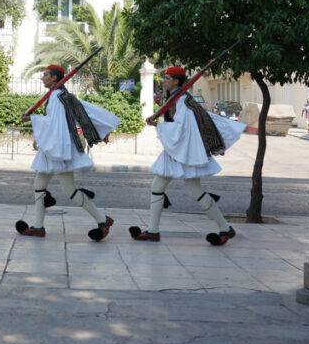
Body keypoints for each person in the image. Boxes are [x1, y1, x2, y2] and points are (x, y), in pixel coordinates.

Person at [129, 66, 245, 245]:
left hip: (184, 151)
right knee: (159, 186)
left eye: (167, 78)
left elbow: (182, 128)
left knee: (193, 191)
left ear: (176, 81)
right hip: (176, 151)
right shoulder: (177, 98)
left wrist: (158, 125)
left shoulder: (183, 101)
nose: (164, 81)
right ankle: (153, 230)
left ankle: (225, 228)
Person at [15, 64, 121, 242]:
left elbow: (54, 123)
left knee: (69, 190)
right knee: (40, 183)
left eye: (45, 75)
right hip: (55, 148)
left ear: (55, 78)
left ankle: (103, 220)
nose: (42, 78)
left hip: (58, 149)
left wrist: (32, 118)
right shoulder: (61, 95)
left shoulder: (57, 96)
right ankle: (38, 226)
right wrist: (101, 131)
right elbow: (83, 112)